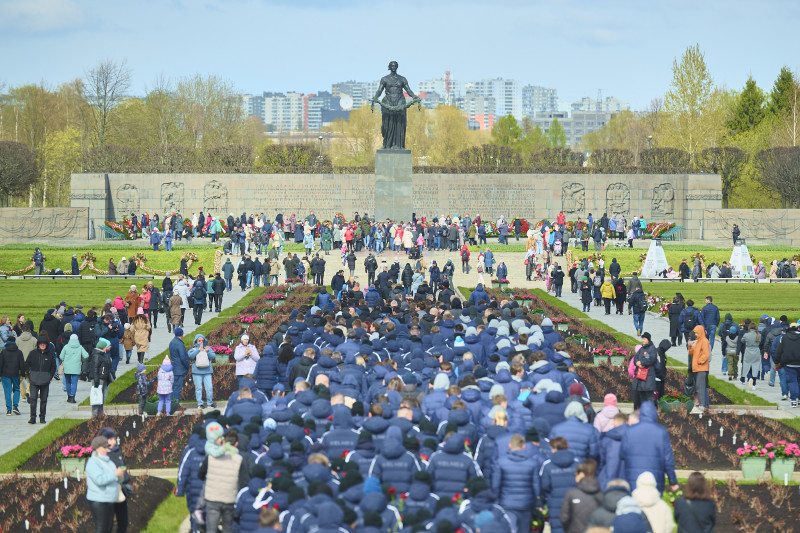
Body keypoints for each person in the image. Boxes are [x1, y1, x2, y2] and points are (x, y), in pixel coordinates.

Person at [198, 422, 250, 533]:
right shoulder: (238, 459)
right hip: (229, 498)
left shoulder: (210, 457)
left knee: (211, 529)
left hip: (213, 498)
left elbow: (200, 474)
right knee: (227, 528)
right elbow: (243, 481)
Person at [619, 402, 678, 494]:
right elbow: (668, 459)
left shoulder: (630, 431)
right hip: (654, 479)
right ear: (654, 414)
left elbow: (622, 454)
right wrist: (673, 481)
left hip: (633, 478)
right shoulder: (661, 432)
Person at [491, 433, 540, 532]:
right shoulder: (533, 463)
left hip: (507, 503)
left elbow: (496, 485)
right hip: (526, 504)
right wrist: (537, 503)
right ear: (523, 446)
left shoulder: (501, 462)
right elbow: (536, 486)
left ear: (510, 446)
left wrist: (496, 502)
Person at [85, 435, 125, 533]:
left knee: (109, 527)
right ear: (97, 448)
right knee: (102, 528)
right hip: (99, 501)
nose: (107, 450)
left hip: (110, 499)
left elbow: (115, 478)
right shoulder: (92, 463)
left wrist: (120, 476)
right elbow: (99, 480)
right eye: (104, 447)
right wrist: (115, 475)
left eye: (107, 447)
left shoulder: (109, 461)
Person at [99, 427, 132, 533]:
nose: (113, 442)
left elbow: (122, 467)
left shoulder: (117, 451)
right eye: (110, 439)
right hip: (108, 493)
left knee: (123, 522)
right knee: (108, 524)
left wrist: (126, 479)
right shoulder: (102, 455)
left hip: (120, 490)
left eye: (114, 439)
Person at [560, 459, 602, 533]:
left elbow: (564, 518)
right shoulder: (601, 494)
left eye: (576, 474)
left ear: (582, 474)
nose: (575, 477)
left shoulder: (572, 494)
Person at [25, 335, 57, 424]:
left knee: (44, 400)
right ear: (38, 344)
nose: (42, 345)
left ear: (46, 345)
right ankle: (32, 417)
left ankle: (42, 417)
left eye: (44, 344)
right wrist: (30, 374)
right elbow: (27, 364)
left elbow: (53, 367)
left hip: (45, 381)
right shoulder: (33, 353)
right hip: (34, 380)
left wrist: (49, 376)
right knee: (33, 399)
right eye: (41, 344)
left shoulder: (50, 354)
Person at [774, 320, 800, 408]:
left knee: (792, 382)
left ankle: (793, 400)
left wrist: (776, 361)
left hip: (789, 364)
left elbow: (779, 351)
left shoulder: (784, 338)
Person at [189, 334, 217, 410]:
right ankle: (200, 404)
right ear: (196, 341)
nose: (201, 342)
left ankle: (210, 403)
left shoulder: (208, 348)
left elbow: (213, 357)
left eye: (202, 340)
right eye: (199, 341)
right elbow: (190, 356)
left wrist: (207, 351)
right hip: (197, 372)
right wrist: (198, 350)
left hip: (207, 371)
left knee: (209, 388)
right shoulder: (193, 349)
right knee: (198, 388)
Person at [59, 333, 88, 404]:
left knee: (68, 382)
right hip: (76, 367)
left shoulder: (66, 347)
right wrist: (82, 360)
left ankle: (69, 396)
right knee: (74, 383)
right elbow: (86, 356)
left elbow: (61, 357)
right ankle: (73, 397)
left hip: (67, 367)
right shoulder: (80, 347)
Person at [632, 333, 657, 410]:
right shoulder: (641, 348)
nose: (642, 340)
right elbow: (635, 357)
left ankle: (651, 410)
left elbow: (652, 359)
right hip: (640, 376)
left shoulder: (652, 349)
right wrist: (637, 363)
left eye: (644, 339)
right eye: (642, 338)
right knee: (642, 395)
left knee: (649, 395)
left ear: (648, 339)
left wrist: (642, 363)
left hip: (648, 375)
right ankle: (644, 410)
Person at [687, 325, 709, 412]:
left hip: (701, 368)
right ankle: (701, 404)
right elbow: (692, 353)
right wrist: (689, 346)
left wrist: (700, 361)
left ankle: (702, 405)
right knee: (698, 386)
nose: (695, 334)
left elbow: (706, 354)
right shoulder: (698, 341)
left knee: (701, 387)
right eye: (695, 333)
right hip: (697, 368)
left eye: (696, 333)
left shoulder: (704, 341)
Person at [0, 338, 25, 415]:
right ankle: (15, 406)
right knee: (17, 389)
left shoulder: (3, 352)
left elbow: (0, 364)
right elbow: (22, 365)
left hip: (5, 374)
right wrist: (23, 374)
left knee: (7, 391)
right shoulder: (19, 352)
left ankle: (8, 410)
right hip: (15, 373)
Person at [169, 328, 190, 401]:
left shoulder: (172, 342)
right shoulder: (180, 344)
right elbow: (183, 357)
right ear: (182, 334)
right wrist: (188, 366)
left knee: (173, 387)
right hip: (179, 369)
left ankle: (171, 403)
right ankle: (176, 404)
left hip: (174, 367)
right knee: (177, 388)